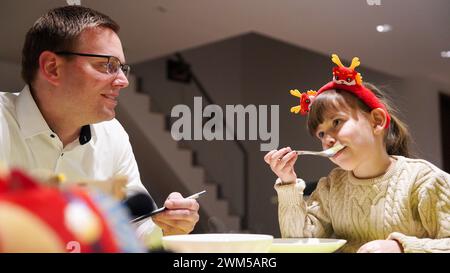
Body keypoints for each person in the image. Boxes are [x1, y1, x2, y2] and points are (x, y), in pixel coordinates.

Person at [0, 5, 199, 240]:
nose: (123, 81)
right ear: (52, 68)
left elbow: (135, 227)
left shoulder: (113, 135)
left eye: (122, 68)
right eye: (108, 65)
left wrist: (166, 225)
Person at [264, 54, 450, 253]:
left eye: (336, 122)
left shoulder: (423, 181)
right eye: (321, 133)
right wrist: (288, 184)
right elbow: (299, 245)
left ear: (377, 121)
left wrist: (402, 248)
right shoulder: (331, 187)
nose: (327, 139)